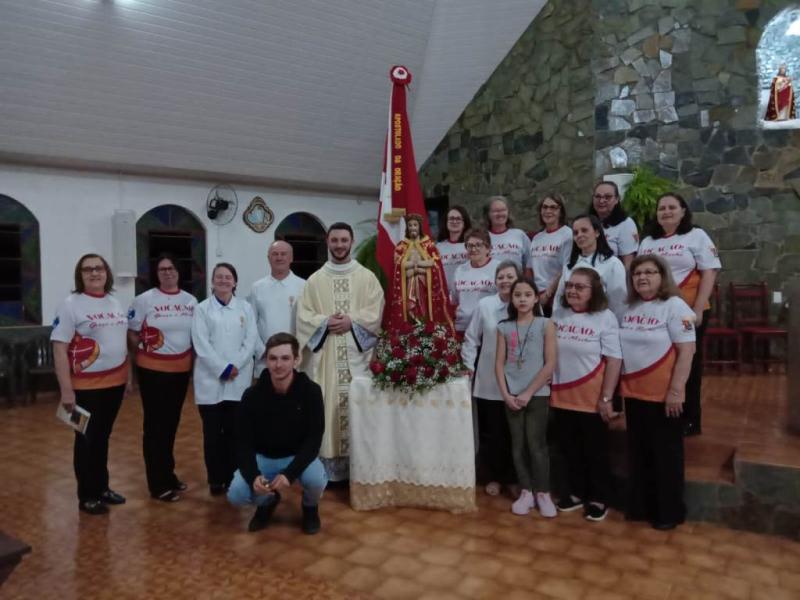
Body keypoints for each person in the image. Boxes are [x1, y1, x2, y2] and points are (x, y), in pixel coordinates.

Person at [296, 222, 384, 481]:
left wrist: (351, 321)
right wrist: (324, 323)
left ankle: (359, 468)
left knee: (358, 409)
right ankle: (329, 472)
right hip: (327, 361)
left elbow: (376, 310)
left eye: (344, 240)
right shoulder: (315, 280)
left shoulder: (367, 277)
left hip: (358, 360)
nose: (339, 245)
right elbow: (303, 316)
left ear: (351, 241)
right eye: (335, 240)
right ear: (327, 241)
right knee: (327, 408)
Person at [620, 255, 695, 530]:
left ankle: (668, 512)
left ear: (662, 276)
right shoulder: (630, 307)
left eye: (649, 272)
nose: (642, 277)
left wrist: (676, 391)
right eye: (637, 273)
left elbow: (687, 351)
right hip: (634, 393)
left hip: (664, 395)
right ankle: (641, 506)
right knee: (639, 454)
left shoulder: (676, 306)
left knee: (666, 456)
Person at [51, 253, 130, 515]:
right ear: (80, 275)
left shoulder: (114, 302)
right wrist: (66, 390)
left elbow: (120, 343)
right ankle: (87, 495)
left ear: (106, 273)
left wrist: (127, 377)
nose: (94, 273)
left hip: (114, 383)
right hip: (84, 388)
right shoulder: (71, 305)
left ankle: (102, 487)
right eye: (88, 270)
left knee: (103, 437)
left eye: (99, 268)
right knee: (85, 439)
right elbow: (60, 349)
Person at [228, 333, 327, 535]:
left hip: (297, 457)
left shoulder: (312, 392)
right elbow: (243, 443)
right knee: (236, 495)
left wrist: (289, 474)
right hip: (264, 458)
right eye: (273, 358)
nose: (278, 365)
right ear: (266, 360)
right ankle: (267, 501)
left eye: (285, 358)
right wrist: (253, 475)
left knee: (317, 480)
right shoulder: (251, 395)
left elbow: (314, 440)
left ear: (296, 360)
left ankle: (310, 507)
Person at [638, 193, 721, 436]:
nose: (666, 212)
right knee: (662, 363)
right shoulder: (648, 241)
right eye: (661, 208)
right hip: (656, 314)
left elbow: (710, 272)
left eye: (672, 207)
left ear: (683, 211)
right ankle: (664, 412)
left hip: (688, 312)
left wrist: (698, 308)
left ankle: (691, 419)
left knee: (690, 364)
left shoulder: (696, 235)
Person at [550, 268, 622, 522]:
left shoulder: (605, 318)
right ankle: (577, 492)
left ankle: (599, 496)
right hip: (560, 395)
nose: (572, 290)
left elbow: (614, 360)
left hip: (591, 397)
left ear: (595, 292)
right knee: (569, 449)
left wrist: (606, 398)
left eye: (580, 287)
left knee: (596, 452)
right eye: (570, 285)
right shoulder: (558, 315)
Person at [128, 253, 197, 502]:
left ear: (178, 272)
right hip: (153, 372)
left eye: (171, 268)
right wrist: (142, 359)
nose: (167, 272)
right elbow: (133, 334)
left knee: (171, 425)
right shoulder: (144, 300)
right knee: (155, 427)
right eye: (162, 269)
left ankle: (168, 474)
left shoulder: (190, 301)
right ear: (156, 274)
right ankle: (157, 483)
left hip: (180, 372)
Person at [191, 262, 258, 496]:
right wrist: (222, 368)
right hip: (210, 381)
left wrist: (236, 365)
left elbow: (250, 340)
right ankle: (215, 479)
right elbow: (201, 344)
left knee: (234, 432)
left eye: (228, 277)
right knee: (212, 434)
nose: (223, 281)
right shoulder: (201, 309)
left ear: (235, 282)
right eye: (218, 277)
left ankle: (234, 476)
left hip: (238, 380)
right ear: (212, 281)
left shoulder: (245, 308)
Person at [495, 278, 557, 518]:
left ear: (535, 298)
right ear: (511, 299)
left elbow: (550, 363)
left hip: (537, 394)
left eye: (527, 294)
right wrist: (506, 394)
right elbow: (499, 365)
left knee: (537, 445)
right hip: (511, 396)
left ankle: (543, 492)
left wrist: (528, 392)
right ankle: (526, 491)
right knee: (518, 445)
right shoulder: (503, 327)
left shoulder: (546, 324)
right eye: (517, 295)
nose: (522, 299)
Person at [461, 261, 521, 497]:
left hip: (519, 381)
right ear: (494, 282)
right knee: (493, 432)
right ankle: (495, 476)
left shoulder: (526, 303)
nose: (505, 281)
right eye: (501, 277)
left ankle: (515, 478)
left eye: (509, 276)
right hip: (488, 380)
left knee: (515, 433)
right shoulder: (485, 305)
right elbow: (471, 338)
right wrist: (467, 366)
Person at [385, 213, 454, 334]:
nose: (412, 228)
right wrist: (417, 267)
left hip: (424, 286)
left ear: (419, 227)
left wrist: (416, 267)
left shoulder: (429, 245)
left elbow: (434, 263)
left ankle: (424, 327)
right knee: (410, 308)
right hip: (408, 285)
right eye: (410, 225)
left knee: (424, 308)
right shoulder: (401, 247)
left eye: (415, 225)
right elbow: (399, 265)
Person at [553, 214, 628, 321]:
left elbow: (618, 303)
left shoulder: (613, 264)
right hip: (569, 327)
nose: (579, 235)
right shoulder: (569, 266)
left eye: (584, 230)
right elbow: (559, 300)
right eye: (575, 233)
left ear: (597, 232)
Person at [248, 240, 306, 377]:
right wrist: (262, 350)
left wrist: (296, 352)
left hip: (293, 358)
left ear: (291, 258)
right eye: (275, 254)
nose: (279, 257)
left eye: (283, 254)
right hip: (265, 358)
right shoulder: (257, 287)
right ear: (269, 258)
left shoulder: (303, 286)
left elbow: (306, 324)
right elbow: (251, 324)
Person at [527, 194, 572, 316]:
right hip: (536, 295)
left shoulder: (568, 235)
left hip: (555, 295)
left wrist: (548, 294)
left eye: (553, 207)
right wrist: (531, 293)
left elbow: (566, 267)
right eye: (545, 207)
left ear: (561, 212)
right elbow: (530, 269)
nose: (548, 211)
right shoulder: (537, 238)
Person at [452, 228, 500, 333]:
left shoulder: (499, 268)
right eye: (470, 245)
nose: (473, 249)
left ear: (488, 248)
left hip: (488, 329)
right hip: (462, 328)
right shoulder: (460, 270)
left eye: (478, 245)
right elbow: (454, 300)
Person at [589, 181, 638, 268]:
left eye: (607, 197)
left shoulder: (625, 224)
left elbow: (628, 263)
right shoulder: (586, 222)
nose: (601, 200)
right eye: (598, 196)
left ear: (617, 199)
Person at [484, 196, 531, 270]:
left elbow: (530, 263)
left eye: (503, 210)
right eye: (495, 211)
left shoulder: (519, 235)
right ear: (488, 214)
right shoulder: (482, 237)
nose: (500, 214)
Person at [436, 205, 472, 293]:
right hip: (444, 295)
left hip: (467, 291)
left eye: (458, 219)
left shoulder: (472, 244)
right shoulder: (438, 247)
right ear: (446, 222)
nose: (455, 221)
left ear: (465, 223)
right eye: (451, 219)